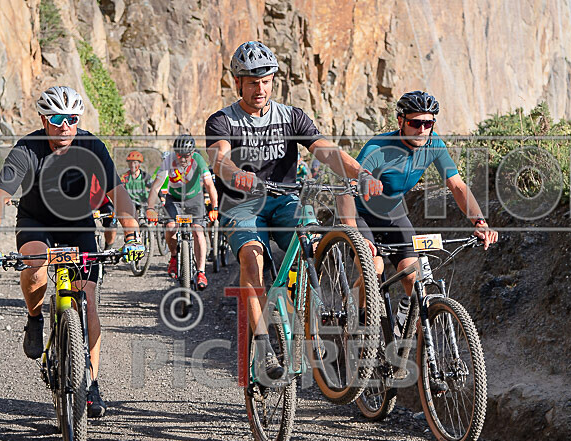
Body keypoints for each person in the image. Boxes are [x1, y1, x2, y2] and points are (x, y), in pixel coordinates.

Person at [205, 41, 382, 380]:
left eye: (266, 80)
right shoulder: (222, 120)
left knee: (315, 245)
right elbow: (218, 156)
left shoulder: (291, 116)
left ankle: (316, 316)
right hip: (243, 203)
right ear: (238, 82)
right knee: (252, 257)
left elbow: (325, 150)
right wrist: (235, 174)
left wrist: (361, 174)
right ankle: (263, 345)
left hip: (285, 198)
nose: (261, 88)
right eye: (253, 81)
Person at [0, 85, 145, 418]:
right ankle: (35, 318)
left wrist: (133, 236)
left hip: (77, 222)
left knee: (89, 301)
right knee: (36, 265)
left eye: (71, 118)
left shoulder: (91, 145)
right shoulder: (27, 148)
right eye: (56, 118)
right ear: (43, 119)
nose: (64, 124)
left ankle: (91, 382)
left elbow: (119, 193)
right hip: (36, 220)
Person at [343, 90, 498, 337]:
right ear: (401, 121)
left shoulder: (434, 144)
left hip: (393, 213)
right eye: (416, 123)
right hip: (361, 213)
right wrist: (353, 231)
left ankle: (412, 346)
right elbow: (346, 188)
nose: (422, 129)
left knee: (413, 277)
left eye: (428, 123)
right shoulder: (379, 147)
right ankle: (358, 316)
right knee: (374, 267)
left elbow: (457, 186)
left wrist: (479, 221)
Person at [145, 134, 218, 290]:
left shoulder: (198, 160)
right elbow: (156, 186)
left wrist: (214, 207)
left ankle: (201, 272)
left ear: (192, 153)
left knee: (198, 232)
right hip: (174, 199)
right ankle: (173, 257)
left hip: (194, 199)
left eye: (186, 155)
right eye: (179, 155)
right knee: (170, 227)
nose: (182, 159)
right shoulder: (169, 160)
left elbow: (209, 185)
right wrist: (150, 208)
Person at [122, 150, 150, 215]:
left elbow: (154, 187)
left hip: (143, 202)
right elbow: (118, 187)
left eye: (135, 163)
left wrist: (162, 197)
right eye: (130, 163)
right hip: (130, 203)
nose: (132, 165)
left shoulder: (145, 176)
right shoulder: (125, 176)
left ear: (139, 164)